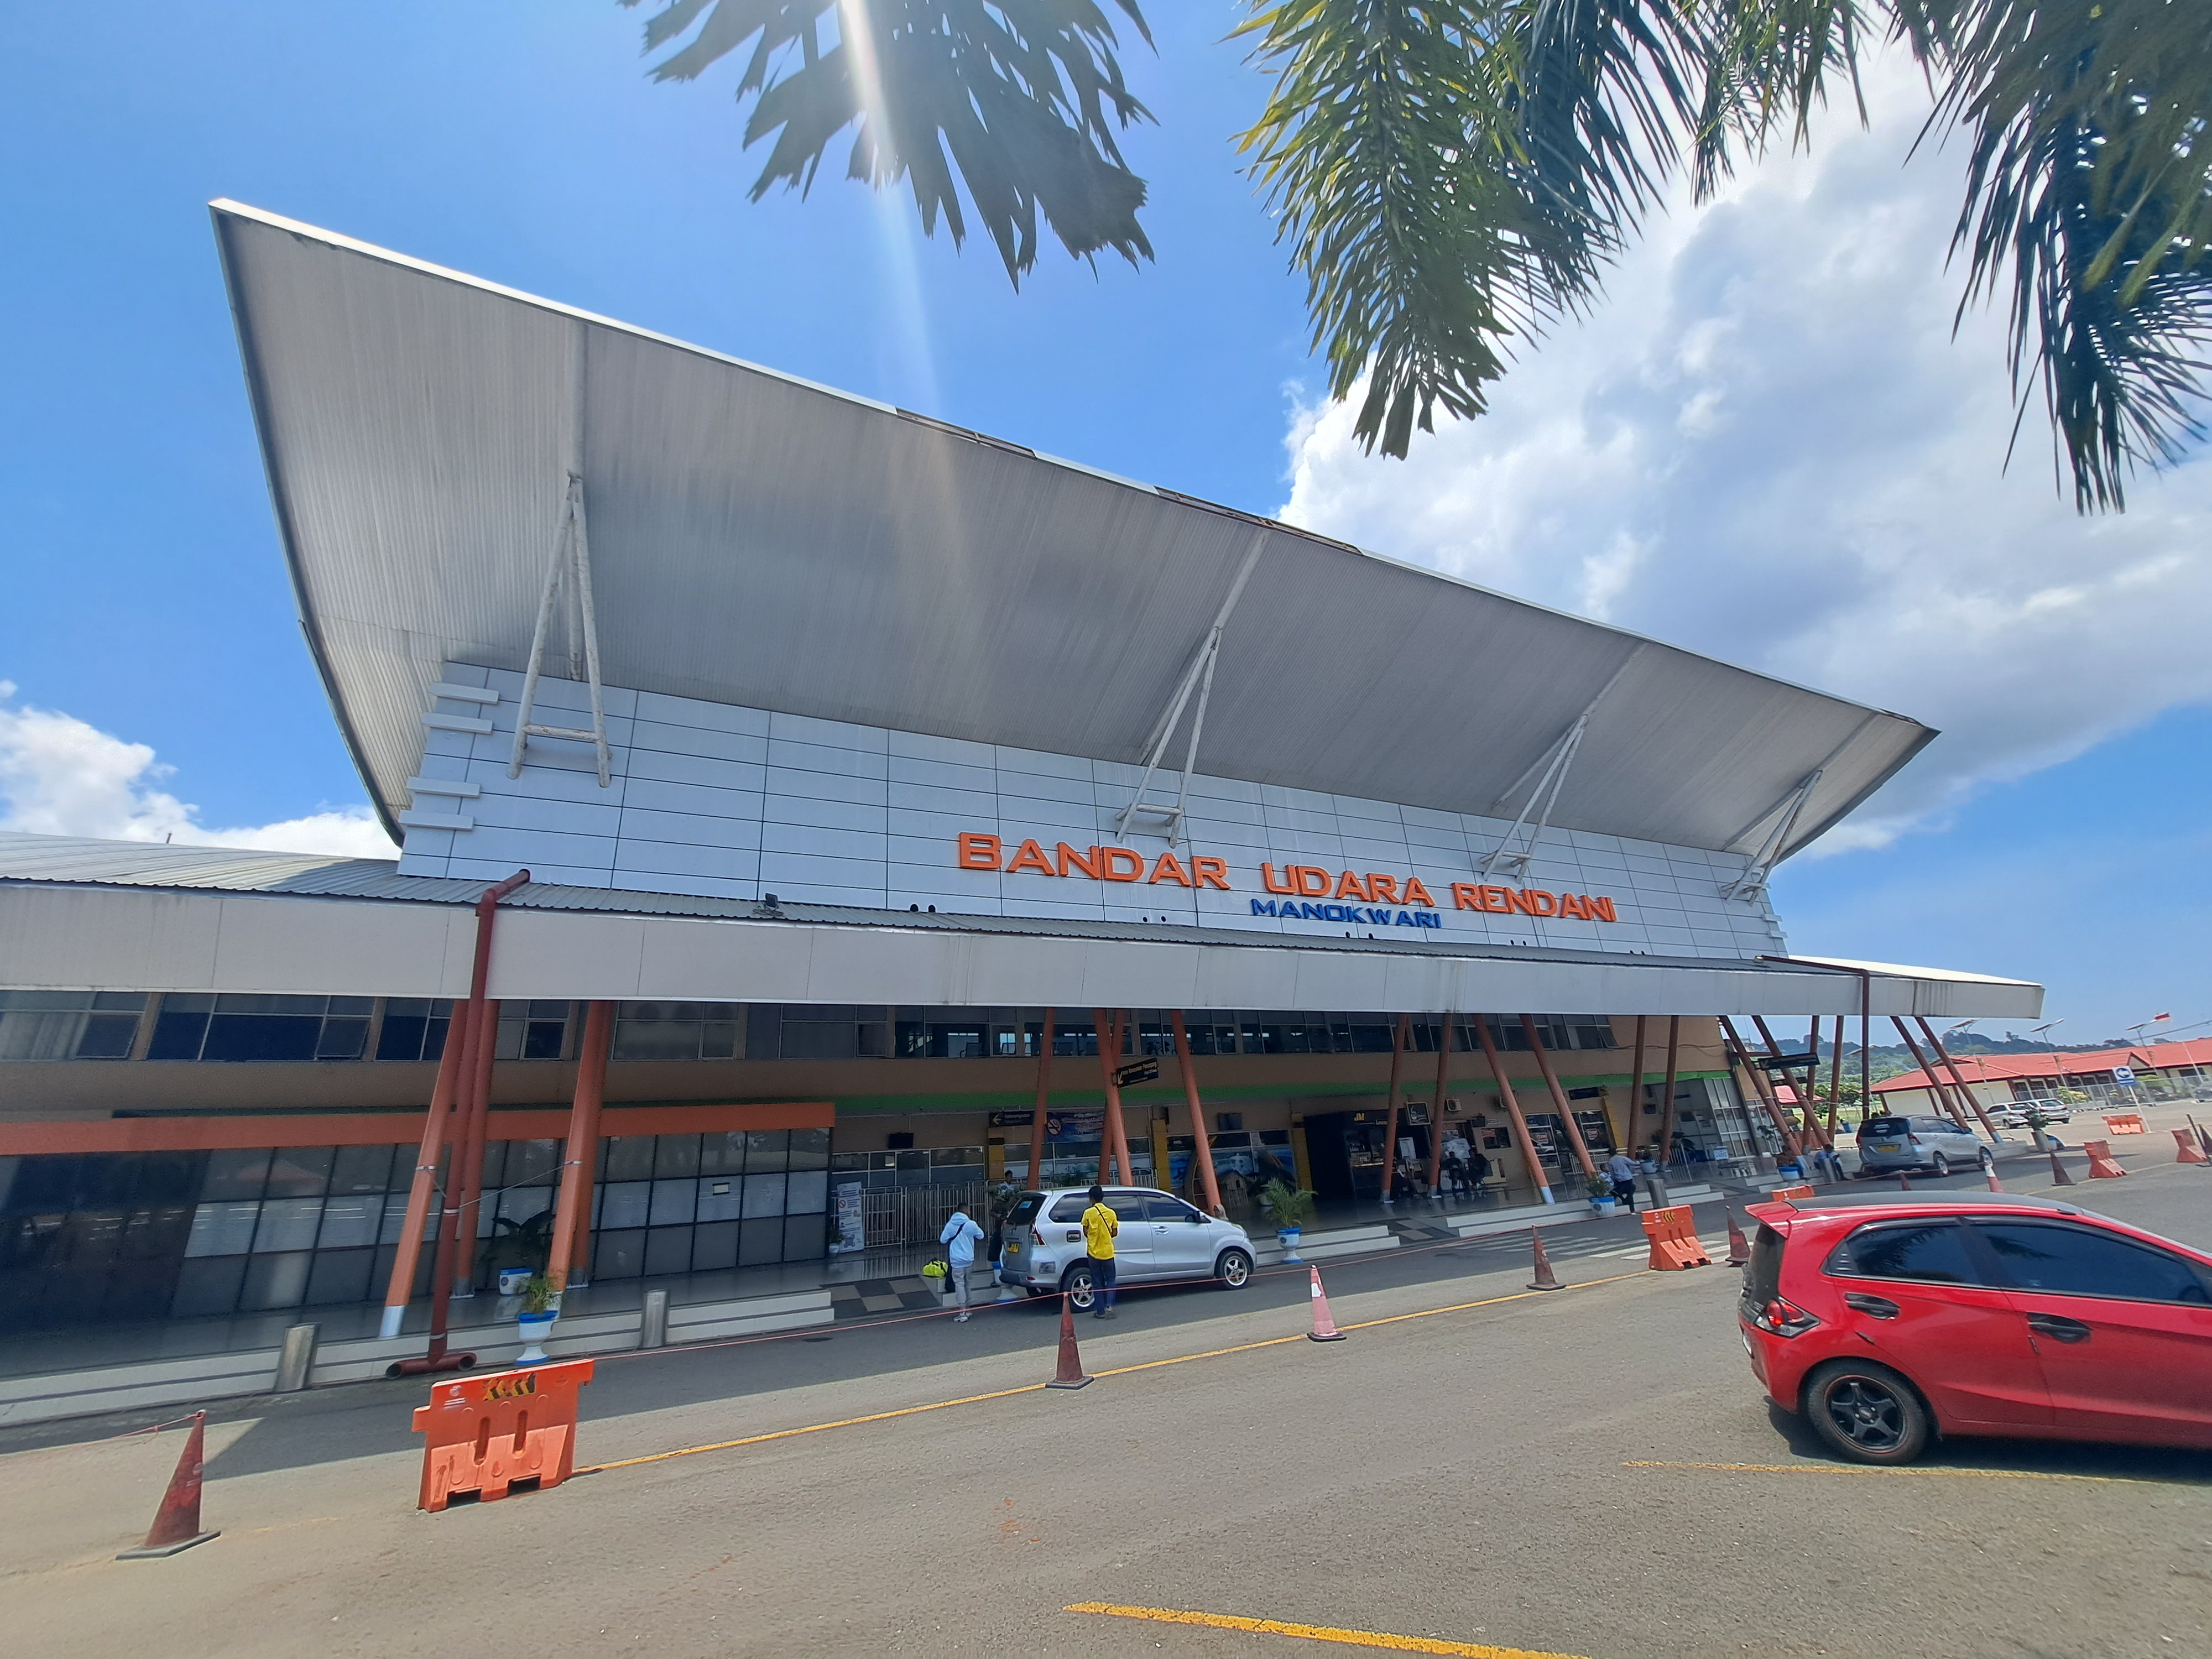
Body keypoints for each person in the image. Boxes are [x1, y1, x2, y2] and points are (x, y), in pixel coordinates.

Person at [938, 1204, 984, 1323]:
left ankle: (962, 1311)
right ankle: (968, 1308)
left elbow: (943, 1240)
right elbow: (981, 1235)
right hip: (969, 1258)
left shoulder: (950, 1225)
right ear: (966, 1211)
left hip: (956, 1260)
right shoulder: (971, 1224)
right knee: (967, 1283)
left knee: (959, 1284)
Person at [1080, 1183, 1119, 1319]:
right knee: (1111, 1280)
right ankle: (1110, 1305)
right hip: (1108, 1253)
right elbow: (1114, 1232)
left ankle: (1100, 1311)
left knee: (1097, 1282)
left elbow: (1085, 1231)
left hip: (1093, 1254)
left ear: (1091, 1199)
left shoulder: (1088, 1213)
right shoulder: (1111, 1213)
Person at [1605, 1149, 1639, 1213]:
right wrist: (1639, 1162)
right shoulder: (1622, 1158)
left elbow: (1612, 1173)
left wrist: (1614, 1181)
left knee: (1619, 1191)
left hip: (1619, 1179)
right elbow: (1632, 1163)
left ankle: (1624, 1200)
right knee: (1631, 1191)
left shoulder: (1610, 1162)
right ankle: (1632, 1209)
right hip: (1628, 1177)